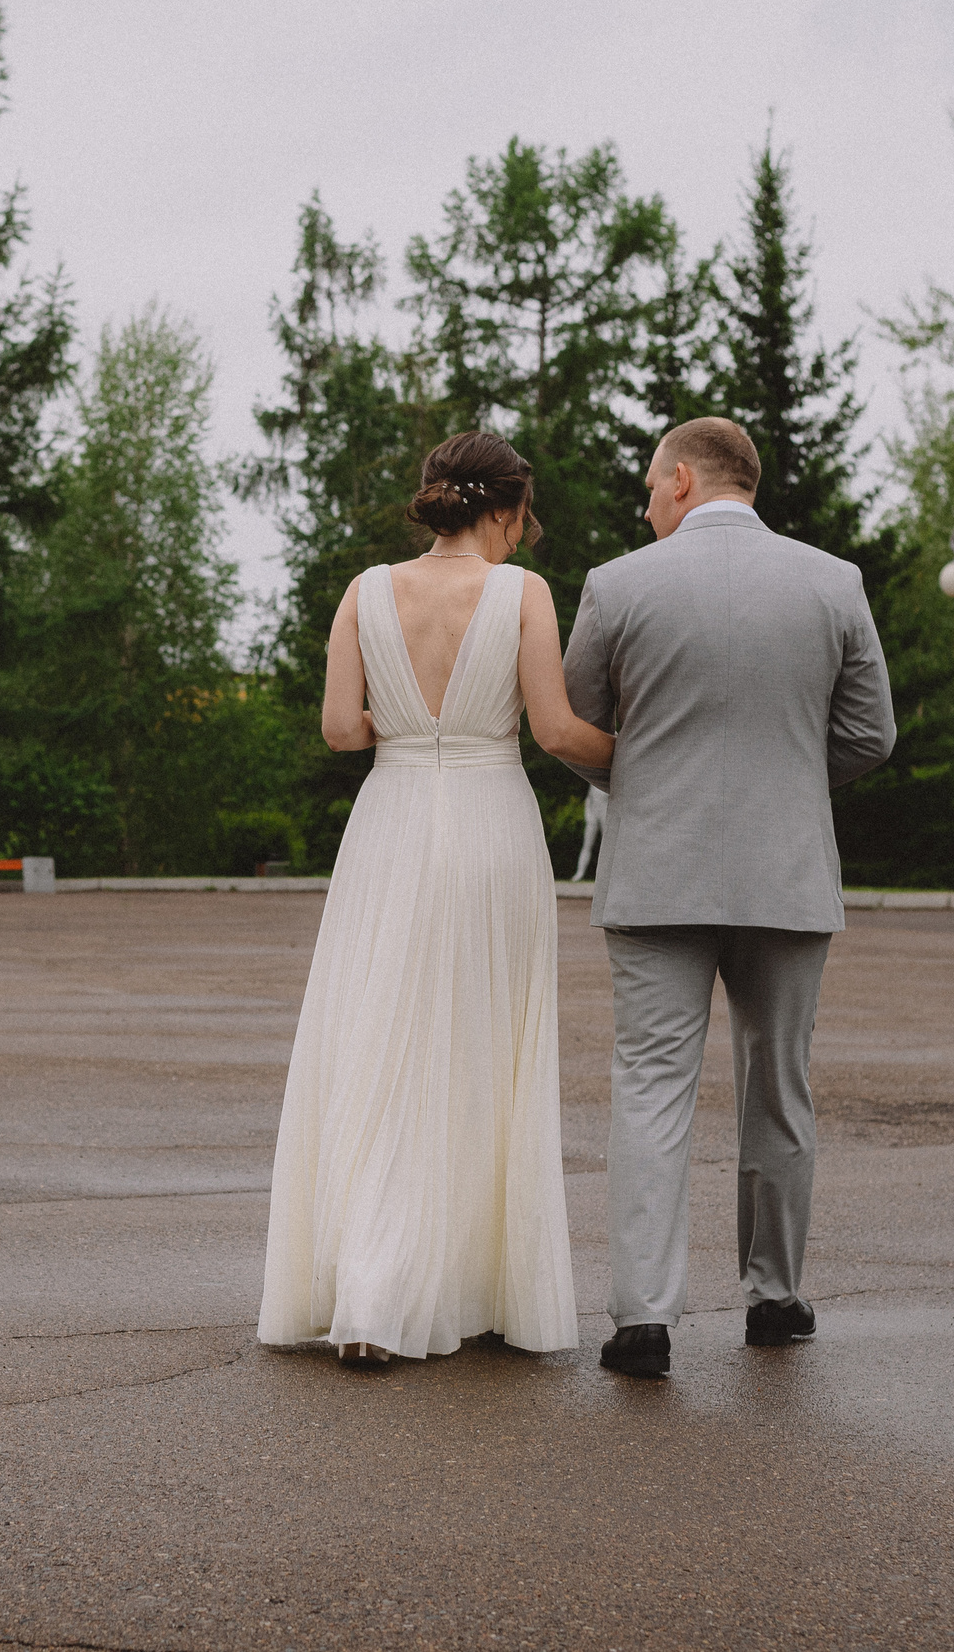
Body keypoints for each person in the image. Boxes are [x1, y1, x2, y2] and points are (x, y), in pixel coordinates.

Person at [258, 432, 615, 1364]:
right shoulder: (523, 594)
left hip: (391, 824)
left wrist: (404, 727)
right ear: (504, 508)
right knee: (480, 1043)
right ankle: (459, 1285)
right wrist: (649, 757)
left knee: (381, 1039)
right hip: (492, 825)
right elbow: (555, 729)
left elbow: (340, 728)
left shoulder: (366, 591)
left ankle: (374, 1288)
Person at [556, 416, 895, 1378]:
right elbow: (873, 734)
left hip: (657, 872)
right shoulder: (834, 582)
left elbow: (579, 718)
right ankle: (775, 1297)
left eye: (647, 487)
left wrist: (656, 782)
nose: (643, 504)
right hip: (788, 874)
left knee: (652, 1087)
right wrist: (785, 784)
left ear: (680, 483)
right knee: (778, 1085)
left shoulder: (618, 585)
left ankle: (643, 1320)